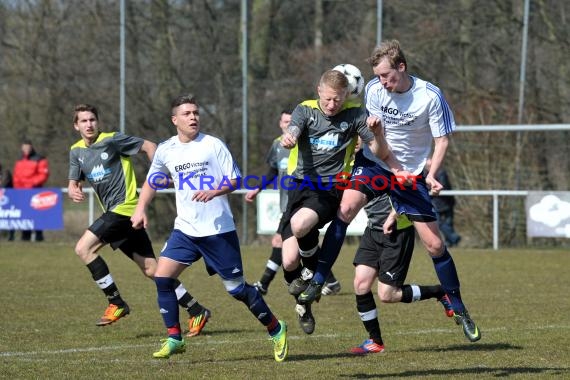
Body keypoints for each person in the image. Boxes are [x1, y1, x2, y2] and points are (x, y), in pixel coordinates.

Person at [303, 40, 480, 342]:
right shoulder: (373, 90)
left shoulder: (429, 96)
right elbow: (377, 144)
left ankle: (458, 305)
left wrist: (432, 174)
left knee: (436, 245)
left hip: (409, 175)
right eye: (379, 76)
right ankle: (319, 278)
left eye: (388, 76)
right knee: (345, 210)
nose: (382, 82)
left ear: (402, 67)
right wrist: (378, 141)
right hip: (375, 163)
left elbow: (442, 141)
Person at [131, 94, 288, 361]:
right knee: (162, 277)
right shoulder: (166, 149)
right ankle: (174, 338)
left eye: (196, 112)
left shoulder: (212, 145)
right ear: (174, 120)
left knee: (237, 290)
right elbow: (153, 181)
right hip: (186, 230)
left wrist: (215, 190)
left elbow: (236, 179)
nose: (193, 117)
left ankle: (275, 328)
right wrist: (141, 207)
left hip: (217, 230)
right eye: (187, 113)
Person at [279, 69, 408, 335]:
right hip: (299, 188)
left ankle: (313, 276)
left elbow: (378, 151)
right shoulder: (306, 110)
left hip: (328, 190)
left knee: (301, 224)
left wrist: (377, 135)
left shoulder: (354, 115)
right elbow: (294, 128)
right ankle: (305, 301)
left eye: (337, 99)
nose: (331, 105)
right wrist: (289, 137)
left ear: (346, 95)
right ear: (319, 91)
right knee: (289, 261)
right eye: (327, 99)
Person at [68, 103, 211, 337]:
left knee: (83, 248)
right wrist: (73, 188)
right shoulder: (76, 151)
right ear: (76, 126)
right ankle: (196, 309)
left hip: (125, 208)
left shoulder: (112, 140)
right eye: (83, 121)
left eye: (92, 119)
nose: (89, 124)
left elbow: (149, 146)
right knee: (153, 270)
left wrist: (160, 173)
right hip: (121, 215)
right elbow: (74, 181)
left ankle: (116, 302)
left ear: (98, 121)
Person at [245, 109, 341, 296]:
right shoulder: (276, 145)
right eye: (285, 121)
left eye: (292, 121)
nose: (288, 125)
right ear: (280, 124)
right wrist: (257, 188)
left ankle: (265, 283)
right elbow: (272, 171)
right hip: (287, 202)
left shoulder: (306, 141)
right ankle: (329, 280)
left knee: (284, 242)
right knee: (303, 243)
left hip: (306, 201)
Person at [350, 193, 454, 354]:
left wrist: (393, 215)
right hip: (372, 231)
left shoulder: (394, 168)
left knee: (387, 295)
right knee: (360, 284)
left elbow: (407, 194)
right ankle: (375, 341)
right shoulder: (360, 168)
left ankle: (439, 292)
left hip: (397, 232)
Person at [12, 140, 49, 241]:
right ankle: (25, 237)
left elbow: (43, 175)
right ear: (22, 148)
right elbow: (16, 177)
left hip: (35, 192)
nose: (26, 149)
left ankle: (39, 236)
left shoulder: (39, 159)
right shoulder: (19, 160)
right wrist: (16, 189)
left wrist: (31, 183)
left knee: (37, 216)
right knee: (24, 215)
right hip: (21, 193)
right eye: (24, 147)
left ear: (31, 147)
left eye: (28, 147)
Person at [425, 158, 461, 247]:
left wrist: (430, 187)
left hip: (446, 203)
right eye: (428, 166)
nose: (430, 167)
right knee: (438, 223)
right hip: (435, 203)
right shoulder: (425, 174)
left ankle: (453, 240)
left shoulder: (441, 173)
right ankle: (453, 239)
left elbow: (441, 186)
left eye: (431, 165)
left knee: (447, 223)